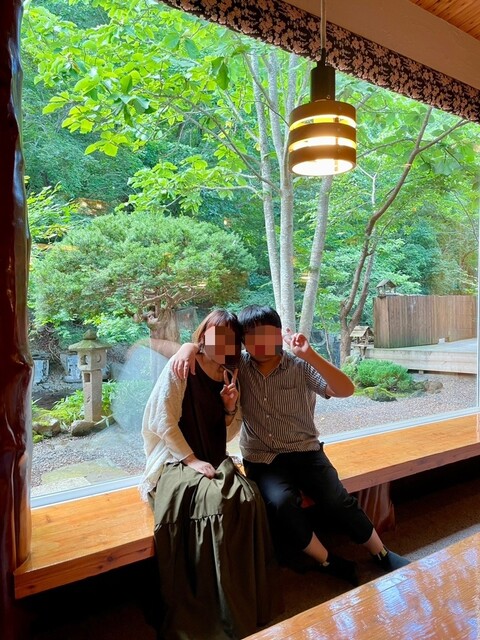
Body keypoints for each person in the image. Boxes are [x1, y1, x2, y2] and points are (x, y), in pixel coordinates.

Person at [172, 305, 410, 587]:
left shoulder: (299, 366)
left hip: (306, 451)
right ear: (244, 342)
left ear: (278, 334)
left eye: (267, 334)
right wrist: (187, 347)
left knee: (337, 499)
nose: (261, 343)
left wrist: (310, 354)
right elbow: (208, 350)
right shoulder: (238, 367)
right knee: (281, 504)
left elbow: (346, 390)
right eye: (253, 337)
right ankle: (327, 560)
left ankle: (381, 553)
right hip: (263, 458)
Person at [140, 309, 281, 640]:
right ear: (202, 335)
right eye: (216, 334)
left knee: (248, 498)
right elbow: (163, 421)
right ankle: (209, 608)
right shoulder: (182, 367)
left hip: (213, 457)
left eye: (230, 337)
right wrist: (191, 460)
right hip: (175, 461)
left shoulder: (228, 374)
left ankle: (240, 599)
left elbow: (228, 433)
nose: (223, 342)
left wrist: (229, 408)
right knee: (215, 503)